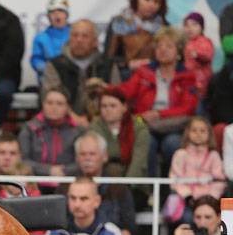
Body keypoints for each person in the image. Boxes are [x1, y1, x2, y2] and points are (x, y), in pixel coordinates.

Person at [118, 26, 196, 178]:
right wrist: (106, 90)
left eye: (168, 46)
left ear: (179, 52)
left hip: (174, 126)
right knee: (146, 142)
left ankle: (173, 190)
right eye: (159, 45)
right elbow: (126, 90)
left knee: (172, 144)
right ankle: (148, 192)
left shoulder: (187, 76)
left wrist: (159, 113)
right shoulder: (144, 71)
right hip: (145, 125)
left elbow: (188, 108)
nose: (162, 50)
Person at [61, 131, 136, 235]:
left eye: (92, 154)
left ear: (104, 156)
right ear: (76, 157)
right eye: (83, 154)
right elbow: (59, 227)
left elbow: (129, 229)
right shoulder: (65, 185)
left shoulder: (118, 185)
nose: (87, 159)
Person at [41, 20, 119, 122]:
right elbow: (49, 97)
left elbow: (118, 97)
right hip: (64, 122)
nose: (79, 40)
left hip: (103, 122)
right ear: (69, 39)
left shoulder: (108, 65)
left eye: (85, 36)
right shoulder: (56, 64)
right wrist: (75, 119)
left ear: (95, 42)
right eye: (75, 35)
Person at [166, 116, 225, 225]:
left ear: (209, 134)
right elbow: (175, 178)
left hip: (208, 202)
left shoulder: (213, 155)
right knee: (188, 219)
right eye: (194, 130)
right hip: (187, 201)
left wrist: (209, 198)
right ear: (187, 133)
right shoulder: (181, 154)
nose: (198, 134)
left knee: (212, 219)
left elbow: (219, 180)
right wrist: (188, 196)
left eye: (202, 131)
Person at [18, 86, 84, 177]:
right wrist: (48, 170)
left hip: (67, 180)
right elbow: (22, 160)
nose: (54, 107)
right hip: (35, 181)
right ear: (43, 105)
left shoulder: (78, 131)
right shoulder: (30, 129)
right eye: (49, 103)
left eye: (59, 104)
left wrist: (64, 171)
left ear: (68, 107)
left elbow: (84, 161)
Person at [89, 85, 150, 180]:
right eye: (103, 106)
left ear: (124, 107)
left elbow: (138, 162)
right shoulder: (94, 127)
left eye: (113, 106)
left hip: (133, 181)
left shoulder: (139, 128)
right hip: (102, 180)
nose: (107, 110)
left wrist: (126, 186)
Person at [105, 0, 167, 79]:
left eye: (156, 1)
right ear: (136, 0)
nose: (151, 5)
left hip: (154, 77)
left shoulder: (165, 27)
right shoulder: (119, 23)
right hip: (125, 76)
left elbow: (170, 57)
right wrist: (128, 63)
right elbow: (108, 56)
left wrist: (152, 62)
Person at [31, 0, 70, 83]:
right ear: (48, 17)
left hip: (71, 77)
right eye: (52, 12)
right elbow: (36, 60)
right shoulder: (41, 38)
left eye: (60, 11)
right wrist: (49, 70)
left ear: (66, 15)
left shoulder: (75, 36)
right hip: (48, 79)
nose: (56, 15)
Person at [181, 12, 212, 100]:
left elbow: (208, 55)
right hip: (187, 81)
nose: (190, 28)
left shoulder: (205, 41)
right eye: (186, 25)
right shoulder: (184, 42)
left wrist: (198, 54)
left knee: (200, 105)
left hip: (202, 82)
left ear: (201, 28)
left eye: (194, 25)